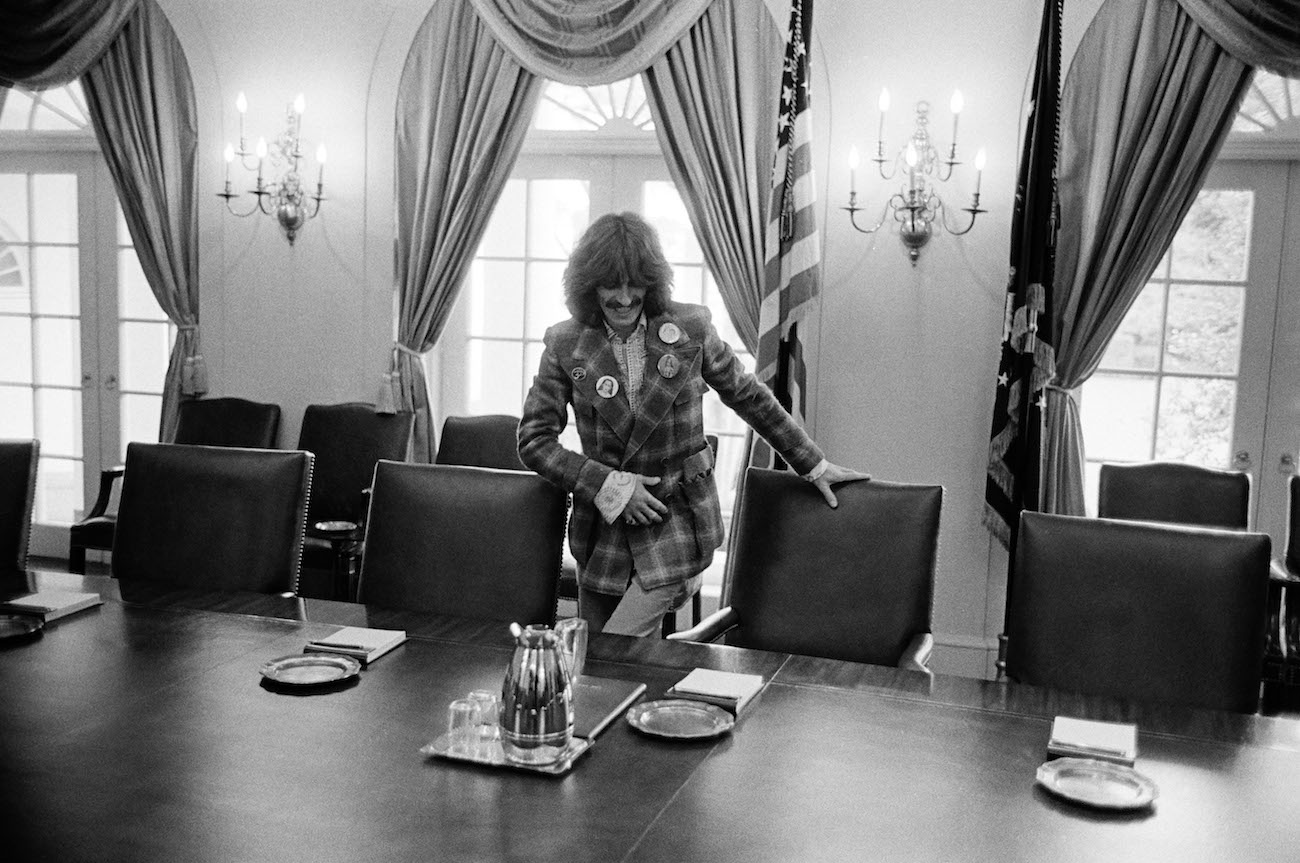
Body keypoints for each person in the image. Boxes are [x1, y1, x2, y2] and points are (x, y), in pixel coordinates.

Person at [518, 212, 868, 637]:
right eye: (611, 285)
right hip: (604, 535)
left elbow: (748, 396)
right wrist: (610, 485)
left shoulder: (691, 328)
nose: (625, 298)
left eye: (636, 284)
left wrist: (812, 463)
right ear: (588, 285)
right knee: (592, 660)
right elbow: (534, 441)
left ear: (652, 282)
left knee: (616, 648)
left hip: (677, 526)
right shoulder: (564, 343)